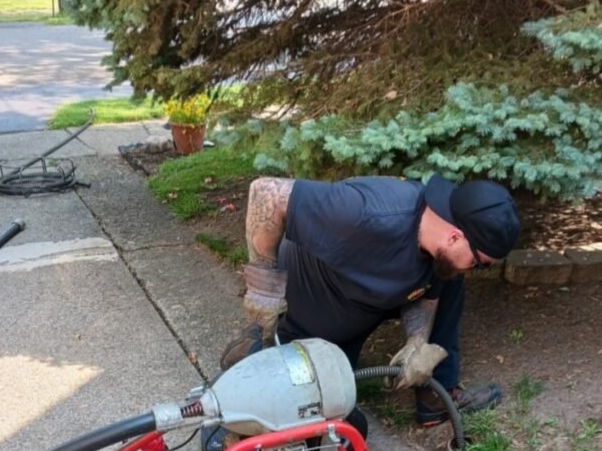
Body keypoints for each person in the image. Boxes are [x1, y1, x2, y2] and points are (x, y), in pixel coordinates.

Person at [219, 173, 520, 426]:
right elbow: (267, 192)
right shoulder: (367, 213)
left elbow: (427, 291)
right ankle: (258, 349)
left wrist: (416, 342)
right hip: (315, 310)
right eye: (480, 263)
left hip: (364, 301)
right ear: (454, 236)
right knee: (321, 421)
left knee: (452, 274)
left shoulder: (439, 241)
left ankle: (435, 397)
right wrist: (263, 286)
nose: (477, 269)